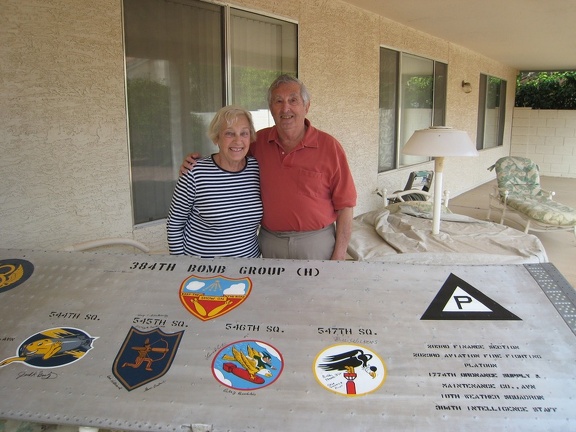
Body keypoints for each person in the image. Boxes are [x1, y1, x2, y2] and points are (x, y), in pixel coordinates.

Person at [181, 75, 356, 260]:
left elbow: (346, 205)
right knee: (271, 290)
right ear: (271, 108)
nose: (285, 108)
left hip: (316, 245)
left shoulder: (329, 147)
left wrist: (340, 254)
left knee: (317, 290)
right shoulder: (258, 143)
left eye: (293, 100)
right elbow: (229, 156)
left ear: (307, 106)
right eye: (278, 101)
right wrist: (196, 165)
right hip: (270, 244)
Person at [167, 106, 263, 258]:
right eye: (229, 133)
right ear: (216, 137)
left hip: (247, 268)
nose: (238, 141)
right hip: (202, 270)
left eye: (244, 133)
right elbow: (174, 225)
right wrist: (181, 266)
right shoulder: (194, 172)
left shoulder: (257, 169)